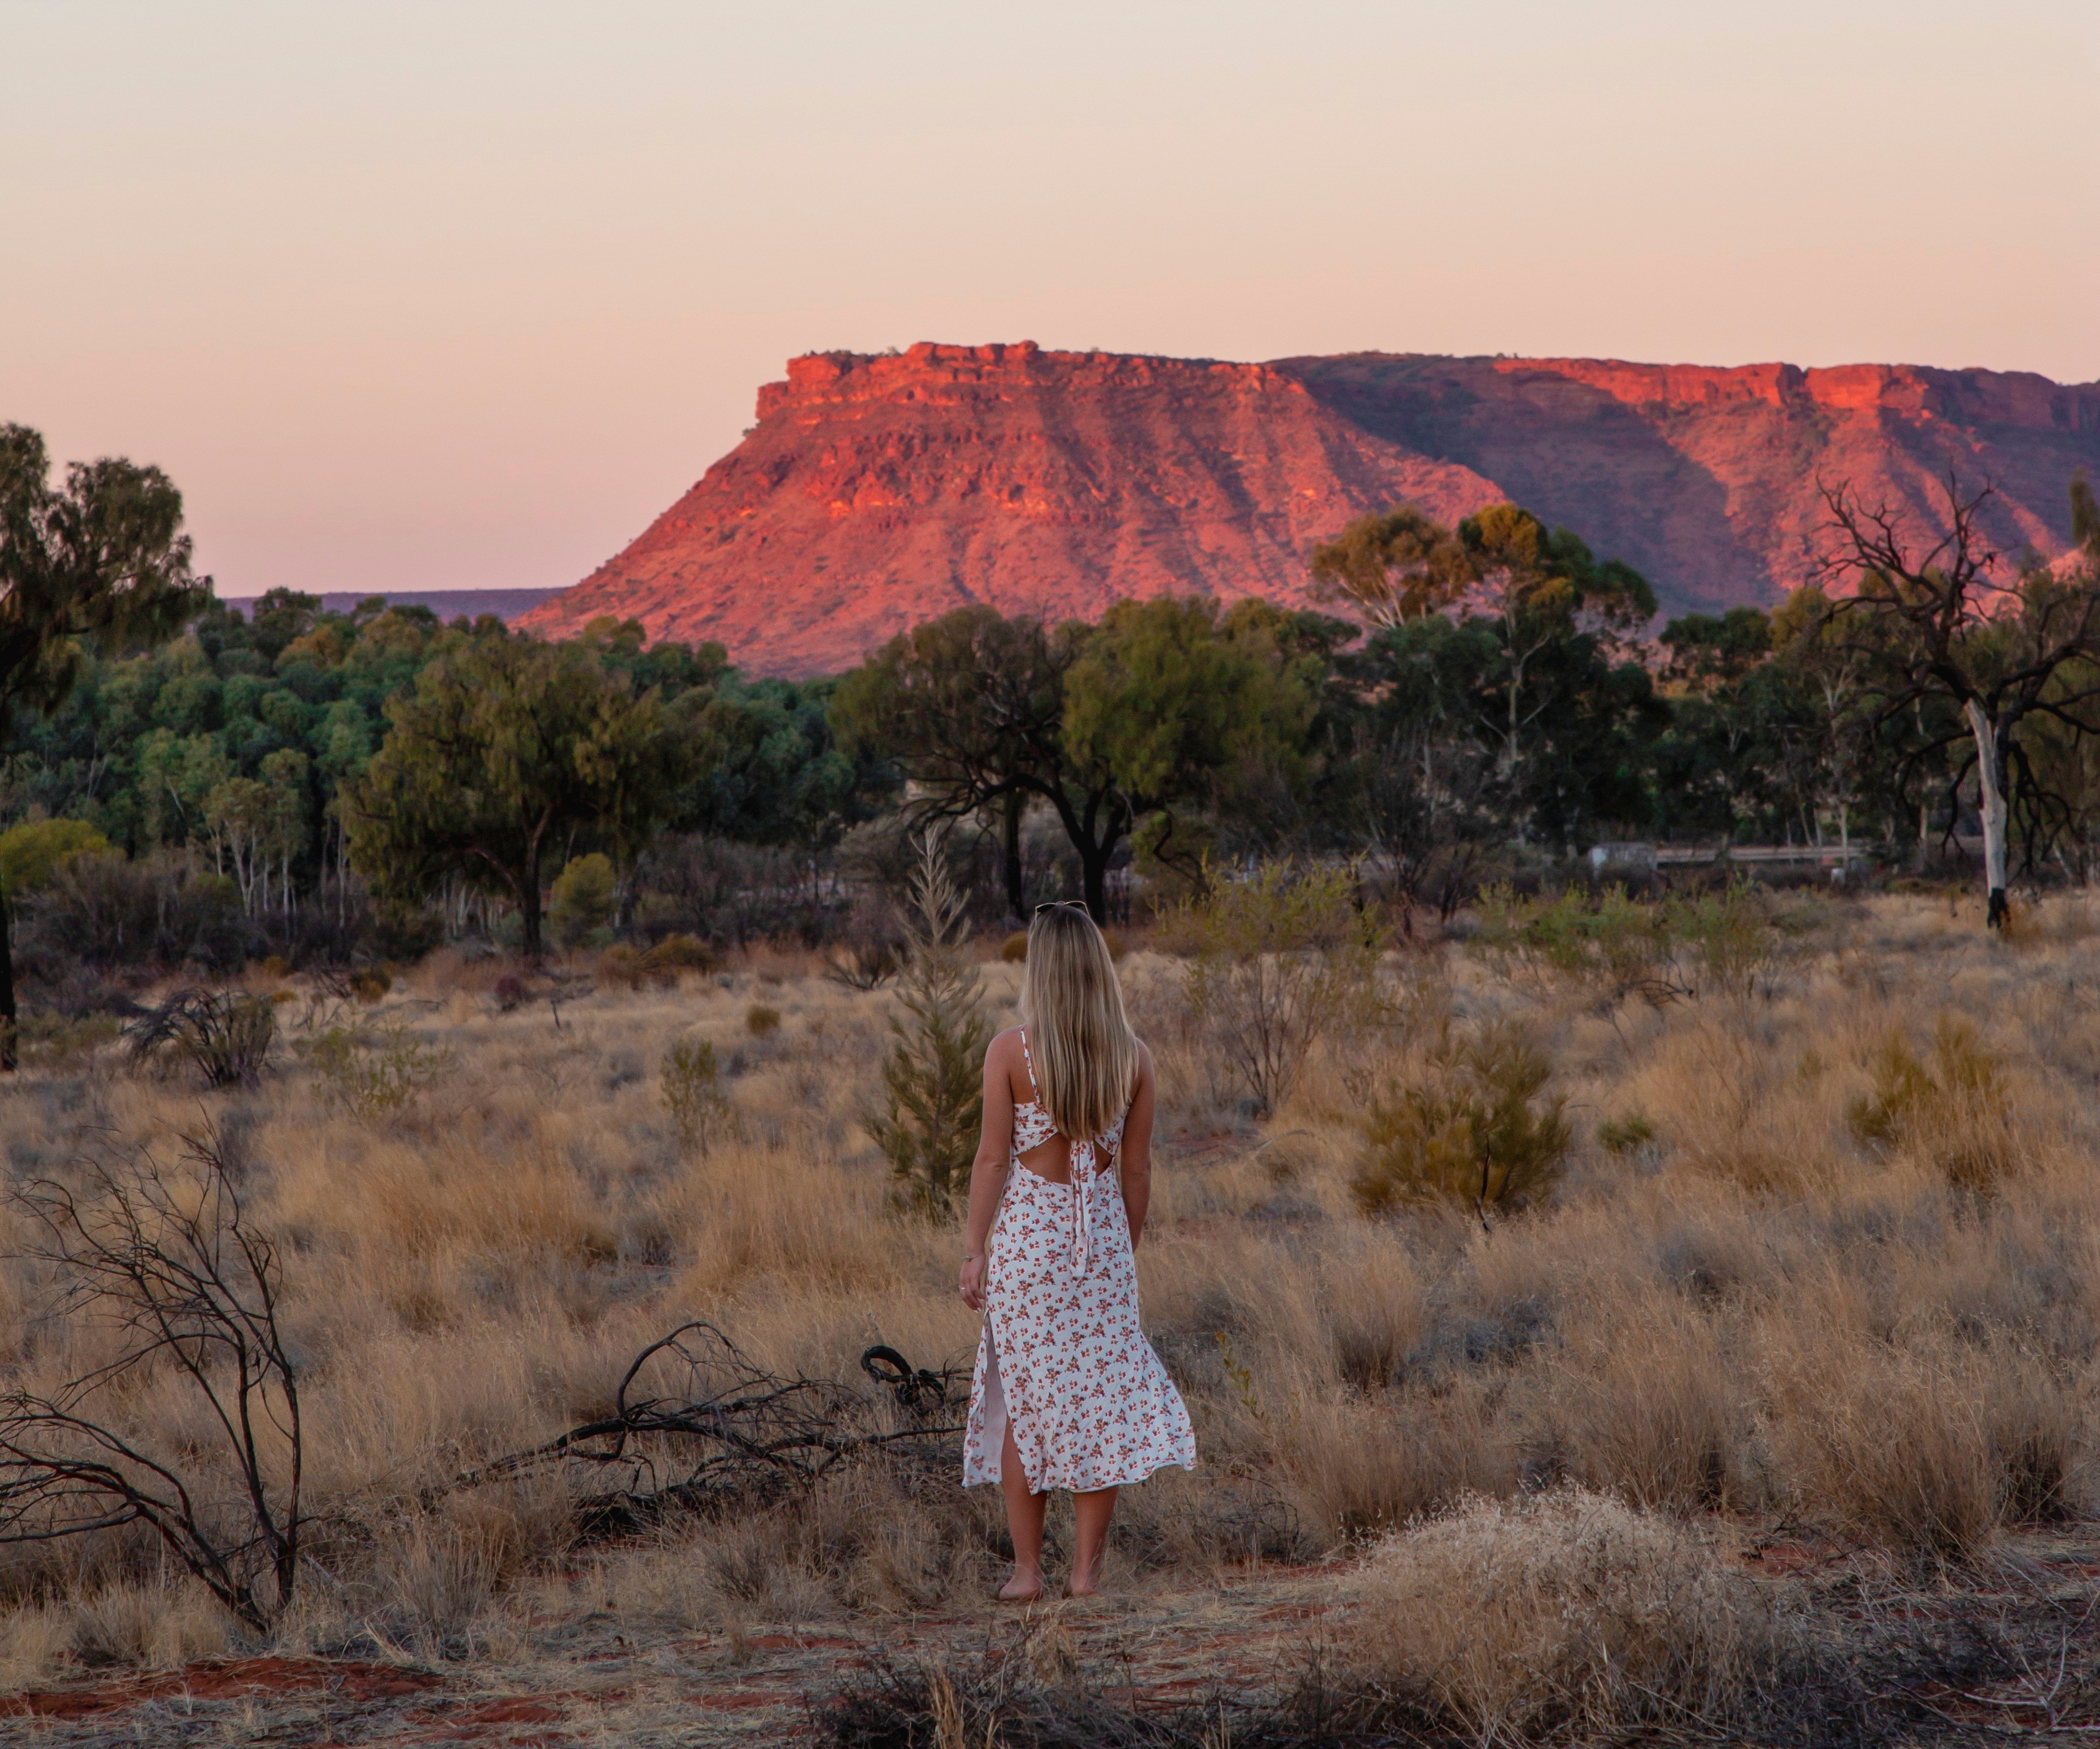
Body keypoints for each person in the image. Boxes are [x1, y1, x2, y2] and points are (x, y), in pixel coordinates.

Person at [958, 900, 1197, 1600]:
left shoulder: (1011, 1051)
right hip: (1102, 1242)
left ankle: (1027, 1571)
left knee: (1022, 1400)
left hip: (1029, 1242)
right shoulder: (1133, 1056)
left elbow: (992, 1160)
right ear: (1095, 965)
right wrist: (1121, 1252)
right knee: (1103, 1402)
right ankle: (1086, 1574)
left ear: (1042, 968)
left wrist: (974, 1249)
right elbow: (1138, 1172)